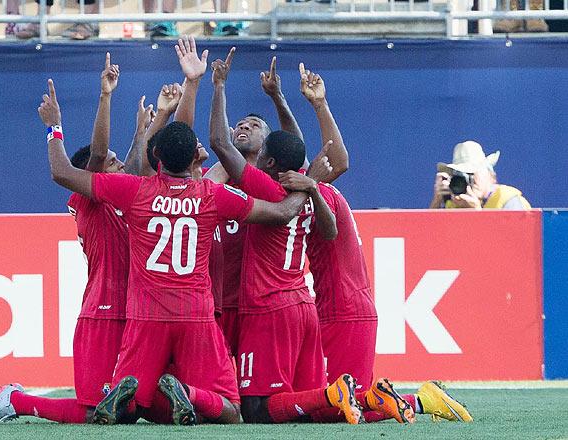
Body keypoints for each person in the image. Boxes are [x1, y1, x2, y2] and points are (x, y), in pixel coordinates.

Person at [37, 73, 339, 424]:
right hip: (197, 314)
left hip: (145, 317)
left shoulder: (134, 190)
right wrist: (310, 182)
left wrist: (54, 126)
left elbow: (61, 172)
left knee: (136, 406)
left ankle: (128, 396)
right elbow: (281, 213)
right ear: (193, 154)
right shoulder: (212, 194)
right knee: (232, 409)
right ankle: (191, 394)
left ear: (158, 159)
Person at [278, 64, 473, 425]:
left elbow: (335, 164)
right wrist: (308, 103)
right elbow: (330, 157)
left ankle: (416, 400)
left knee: (341, 408)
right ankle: (420, 399)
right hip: (347, 308)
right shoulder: (323, 190)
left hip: (343, 311)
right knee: (337, 401)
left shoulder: (313, 193)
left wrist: (317, 106)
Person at [209, 50, 374, 425]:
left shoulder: (265, 188)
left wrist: (218, 85)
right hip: (299, 304)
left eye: (258, 132)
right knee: (301, 406)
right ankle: (340, 395)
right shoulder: (304, 186)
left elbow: (219, 140)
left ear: (267, 159)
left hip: (266, 308)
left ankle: (337, 392)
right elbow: (327, 227)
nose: (245, 129)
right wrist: (281, 100)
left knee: (254, 408)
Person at [0, 54, 138, 426]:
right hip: (101, 314)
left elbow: (132, 166)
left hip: (132, 313)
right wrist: (97, 101)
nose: (119, 168)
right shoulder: (88, 199)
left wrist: (155, 120)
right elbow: (99, 154)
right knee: (98, 413)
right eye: (112, 165)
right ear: (91, 176)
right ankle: (15, 401)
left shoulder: (120, 201)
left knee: (127, 409)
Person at [430, 140, 531, 210]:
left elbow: (516, 240)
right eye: (462, 175)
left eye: (473, 172)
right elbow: (426, 238)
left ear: (491, 176)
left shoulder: (508, 201)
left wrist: (477, 212)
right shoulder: (454, 204)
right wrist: (437, 202)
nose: (470, 180)